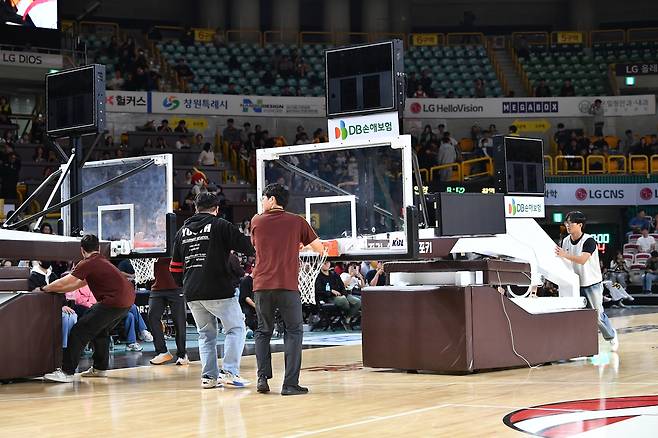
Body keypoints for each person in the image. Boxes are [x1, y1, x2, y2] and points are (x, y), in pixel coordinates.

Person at [170, 192, 255, 389]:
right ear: (216, 209)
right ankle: (230, 372)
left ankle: (208, 377)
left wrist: (186, 284)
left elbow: (174, 267)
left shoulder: (182, 231)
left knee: (206, 335)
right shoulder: (220, 225)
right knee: (236, 329)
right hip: (218, 289)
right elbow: (247, 246)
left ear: (195, 208)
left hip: (192, 292)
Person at [250, 183, 325, 396]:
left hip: (262, 285)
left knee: (263, 331)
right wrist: (302, 245)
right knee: (293, 332)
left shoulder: (256, 221)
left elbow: (259, 246)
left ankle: (262, 378)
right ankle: (290, 384)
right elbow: (320, 249)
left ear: (272, 199)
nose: (262, 202)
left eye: (264, 198)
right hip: (287, 285)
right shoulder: (297, 221)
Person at [37, 234, 135, 383]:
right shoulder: (102, 261)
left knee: (79, 331)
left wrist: (44, 288)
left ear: (82, 250)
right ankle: (100, 368)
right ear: (99, 248)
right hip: (128, 300)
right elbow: (78, 284)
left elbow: (67, 281)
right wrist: (55, 289)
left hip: (113, 301)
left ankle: (67, 372)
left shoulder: (87, 262)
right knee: (101, 330)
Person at [555, 211, 618, 351]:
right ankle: (581, 346)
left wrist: (565, 255)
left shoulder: (589, 240)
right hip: (573, 284)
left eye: (570, 223)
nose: (567, 225)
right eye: (566, 223)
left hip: (591, 283)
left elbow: (582, 260)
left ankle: (611, 336)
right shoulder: (565, 241)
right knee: (576, 316)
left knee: (597, 315)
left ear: (580, 225)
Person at [149, 257, 188, 365]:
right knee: (152, 317)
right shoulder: (154, 244)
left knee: (179, 321)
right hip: (157, 288)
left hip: (176, 287)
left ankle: (182, 354)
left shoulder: (176, 242)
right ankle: (162, 351)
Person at [316, 261, 361, 325]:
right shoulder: (318, 277)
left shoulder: (334, 274)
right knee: (343, 300)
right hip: (329, 297)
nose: (326, 264)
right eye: (324, 262)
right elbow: (319, 290)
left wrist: (344, 294)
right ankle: (348, 315)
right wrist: (331, 291)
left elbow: (342, 285)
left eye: (327, 262)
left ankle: (347, 317)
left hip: (342, 294)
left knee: (358, 301)